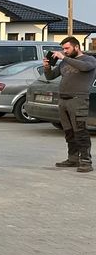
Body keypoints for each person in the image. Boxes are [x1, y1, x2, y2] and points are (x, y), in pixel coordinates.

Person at [43, 36, 96, 173]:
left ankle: (86, 162)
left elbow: (85, 67)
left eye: (67, 48)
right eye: (63, 49)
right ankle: (73, 159)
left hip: (78, 100)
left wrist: (64, 57)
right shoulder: (64, 63)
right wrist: (47, 67)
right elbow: (50, 76)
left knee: (80, 131)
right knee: (69, 131)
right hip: (63, 100)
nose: (64, 51)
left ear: (76, 47)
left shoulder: (89, 60)